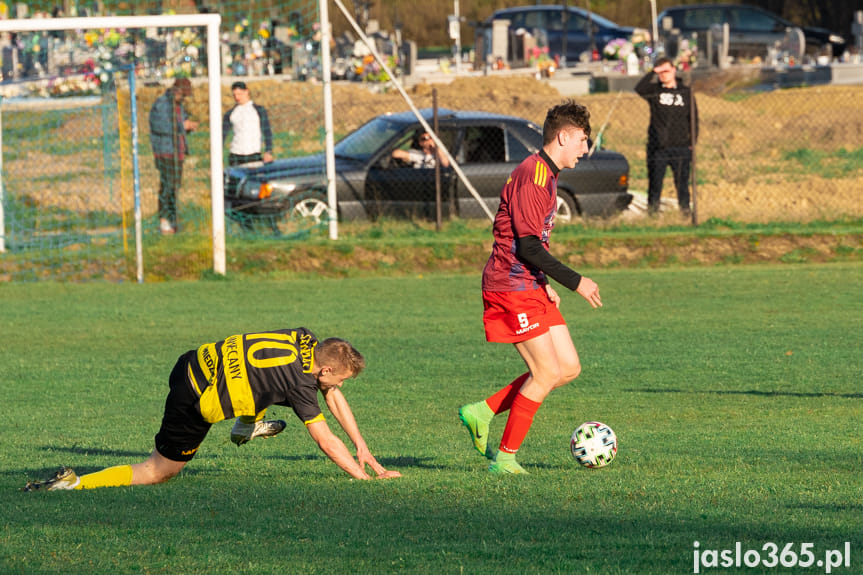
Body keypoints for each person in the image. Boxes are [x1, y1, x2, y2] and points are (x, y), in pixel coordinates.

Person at [23, 328, 401, 491]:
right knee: (159, 471)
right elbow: (324, 439)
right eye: (340, 379)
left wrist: (362, 446)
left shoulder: (305, 340)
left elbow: (329, 394)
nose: (338, 387)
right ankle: (76, 484)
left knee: (264, 384)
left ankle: (244, 427)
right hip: (194, 395)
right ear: (325, 368)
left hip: (193, 361)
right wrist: (362, 478)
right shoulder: (302, 383)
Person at [458, 100, 603, 475]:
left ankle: (483, 411)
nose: (585, 150)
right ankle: (505, 458)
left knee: (567, 368)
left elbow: (535, 242)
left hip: (529, 282)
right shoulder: (535, 176)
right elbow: (528, 246)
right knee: (544, 373)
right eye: (583, 141)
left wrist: (544, 282)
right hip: (510, 285)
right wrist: (574, 282)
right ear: (564, 136)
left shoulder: (548, 174)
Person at [634, 57, 699, 216]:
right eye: (660, 72)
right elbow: (640, 88)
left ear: (674, 70)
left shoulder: (685, 92)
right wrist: (652, 72)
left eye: (666, 71)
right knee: (655, 184)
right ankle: (653, 215)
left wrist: (692, 142)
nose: (663, 75)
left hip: (681, 147)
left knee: (682, 185)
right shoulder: (655, 91)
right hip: (658, 148)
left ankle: (686, 214)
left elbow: (694, 119)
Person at [149, 78, 199, 234]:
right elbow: (160, 126)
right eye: (182, 94)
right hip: (165, 152)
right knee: (167, 186)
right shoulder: (161, 104)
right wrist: (181, 126)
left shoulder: (179, 105)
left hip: (178, 152)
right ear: (176, 90)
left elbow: (180, 124)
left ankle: (173, 220)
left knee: (174, 188)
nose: (183, 98)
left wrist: (189, 126)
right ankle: (164, 221)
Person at [222, 81, 274, 167]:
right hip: (235, 155)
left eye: (239, 94)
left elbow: (267, 131)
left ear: (247, 92)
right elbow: (223, 134)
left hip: (253, 154)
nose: (237, 97)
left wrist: (268, 151)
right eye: (234, 95)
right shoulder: (231, 113)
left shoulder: (259, 110)